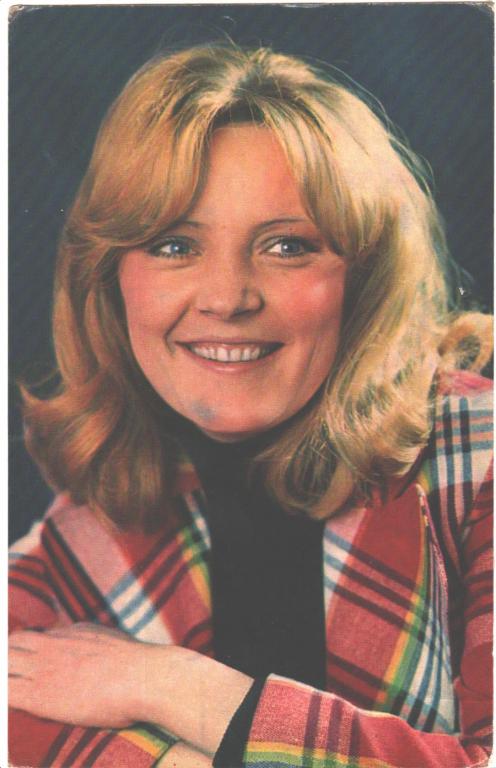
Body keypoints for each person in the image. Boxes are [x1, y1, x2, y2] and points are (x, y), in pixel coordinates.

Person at [9, 44, 492, 768]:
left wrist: (177, 689)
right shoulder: (94, 518)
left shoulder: (478, 457)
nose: (227, 297)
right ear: (110, 280)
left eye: (287, 246)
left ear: (365, 277)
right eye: (174, 245)